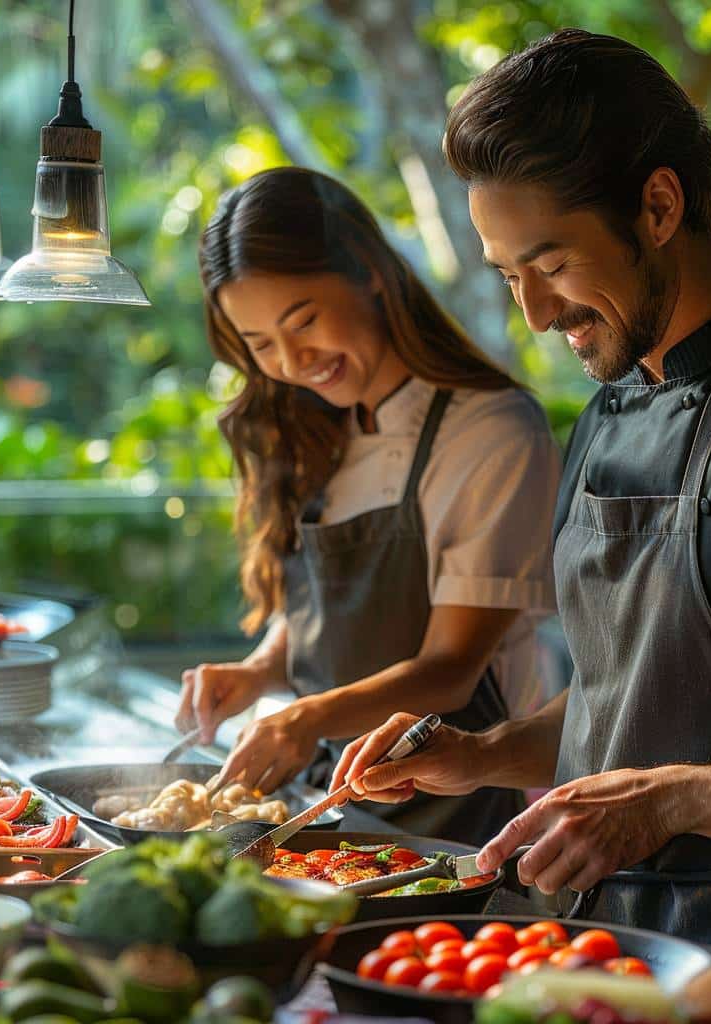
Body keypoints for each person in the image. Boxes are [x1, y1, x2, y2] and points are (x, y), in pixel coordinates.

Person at [331, 30, 711, 1017]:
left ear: (658, 206)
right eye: (505, 273)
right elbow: (645, 699)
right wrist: (481, 753)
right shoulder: (614, 397)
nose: (531, 312)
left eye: (550, 261)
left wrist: (674, 801)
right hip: (610, 954)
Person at [176, 166, 560, 845]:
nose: (293, 361)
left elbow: (451, 669)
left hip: (473, 814)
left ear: (370, 274)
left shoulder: (490, 431)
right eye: (261, 345)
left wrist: (305, 717)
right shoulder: (326, 424)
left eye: (305, 322)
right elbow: (329, 609)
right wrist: (261, 671)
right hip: (345, 808)